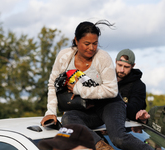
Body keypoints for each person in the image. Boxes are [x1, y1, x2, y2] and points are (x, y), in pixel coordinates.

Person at [41, 20, 153, 150]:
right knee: (67, 119)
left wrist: (80, 89)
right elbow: (52, 85)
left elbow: (111, 90)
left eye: (95, 43)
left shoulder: (102, 57)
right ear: (76, 40)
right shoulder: (64, 56)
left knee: (118, 138)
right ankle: (101, 146)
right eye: (87, 43)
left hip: (109, 104)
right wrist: (50, 112)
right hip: (87, 109)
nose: (92, 48)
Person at [115, 49, 146, 121]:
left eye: (126, 67)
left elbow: (135, 110)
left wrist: (116, 103)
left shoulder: (139, 86)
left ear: (133, 66)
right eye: (119, 65)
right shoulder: (106, 78)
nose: (122, 70)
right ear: (115, 61)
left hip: (127, 127)